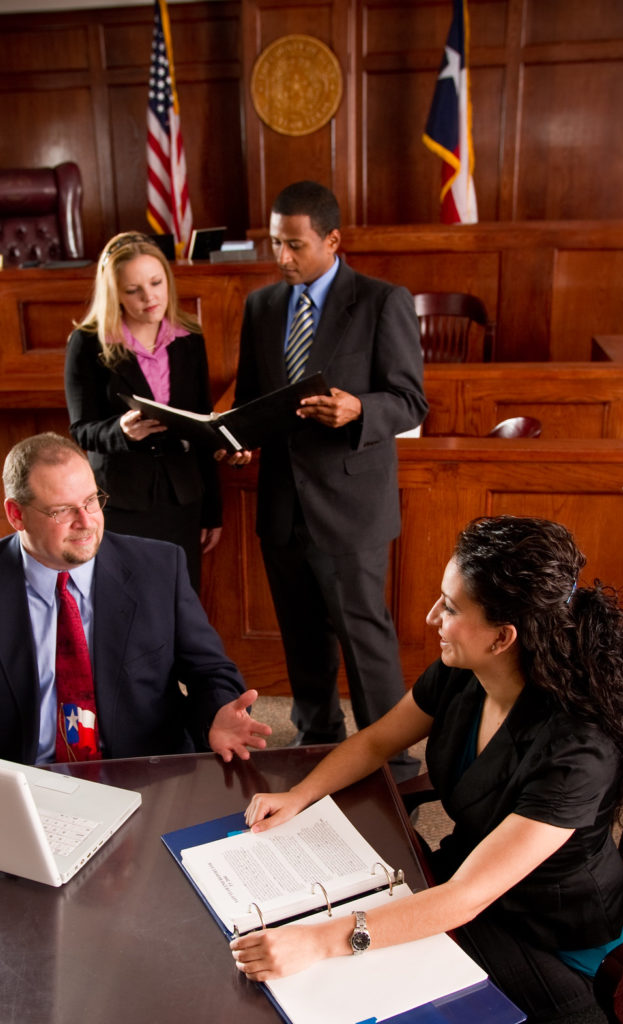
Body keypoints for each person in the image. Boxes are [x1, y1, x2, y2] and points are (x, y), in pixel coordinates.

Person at [231, 515, 623, 1024]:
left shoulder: (578, 751)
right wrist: (300, 794)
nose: (432, 616)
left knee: (352, 974)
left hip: (549, 939)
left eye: (452, 607)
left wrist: (318, 941)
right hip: (467, 880)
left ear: (503, 637)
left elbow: (466, 898)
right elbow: (375, 741)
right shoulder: (463, 670)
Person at [0, 432, 270, 764]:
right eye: (62, 510)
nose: (87, 521)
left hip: (140, 772)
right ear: (16, 514)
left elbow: (210, 672)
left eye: (92, 500)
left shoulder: (158, 568)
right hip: (21, 777)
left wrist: (215, 712)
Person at [232, 180, 428, 757]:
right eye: (274, 244)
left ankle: (391, 757)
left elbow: (411, 400)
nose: (282, 258)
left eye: (294, 245)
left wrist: (359, 408)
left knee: (364, 638)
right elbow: (252, 398)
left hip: (349, 505)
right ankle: (318, 740)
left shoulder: (381, 301)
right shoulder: (262, 306)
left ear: (332, 240)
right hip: (281, 503)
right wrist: (236, 438)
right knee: (301, 637)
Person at [64, 231, 221, 591]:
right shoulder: (88, 343)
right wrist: (120, 432)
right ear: (114, 293)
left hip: (182, 497)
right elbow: (81, 428)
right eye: (133, 289)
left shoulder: (189, 339)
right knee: (127, 604)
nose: (149, 297)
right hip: (120, 499)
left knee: (180, 601)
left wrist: (213, 510)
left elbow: (203, 428)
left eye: (156, 282)